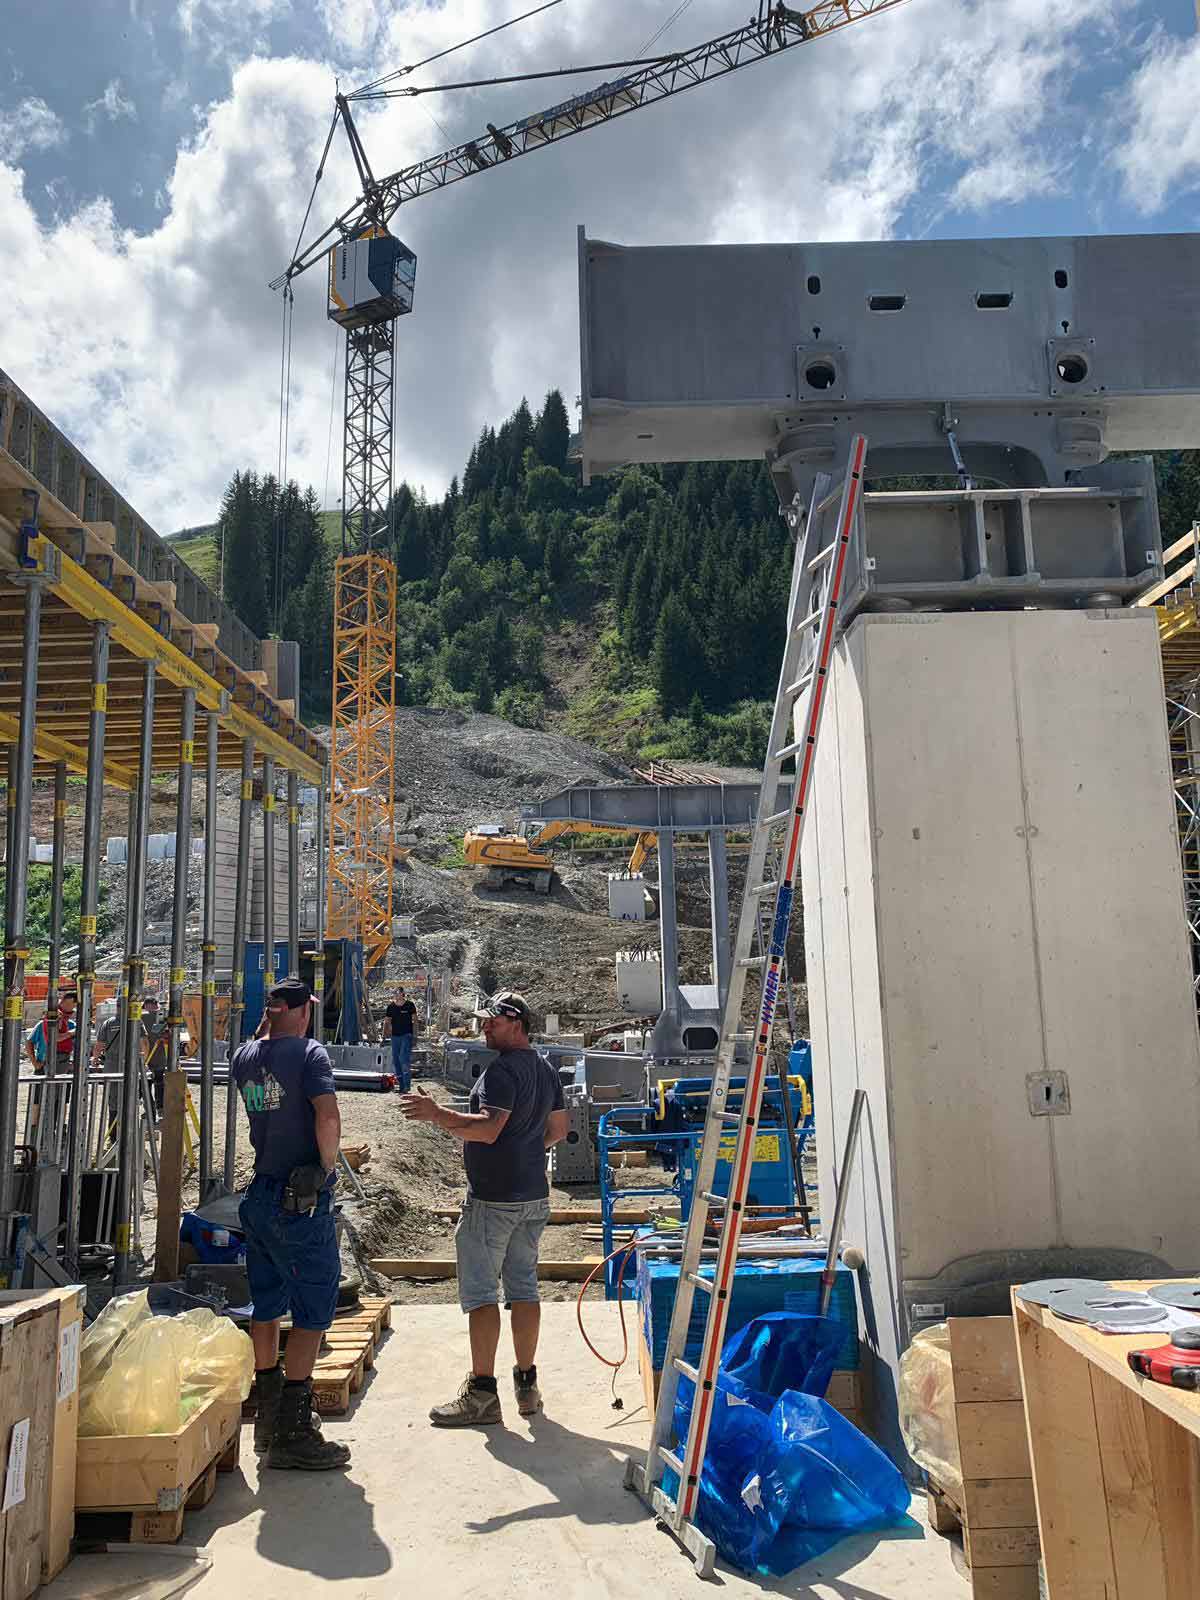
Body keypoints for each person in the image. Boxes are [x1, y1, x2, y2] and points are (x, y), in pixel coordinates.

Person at [401, 989, 568, 1427]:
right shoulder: (546, 1069)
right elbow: (558, 1128)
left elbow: (490, 1129)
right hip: (533, 1196)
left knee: (480, 1295)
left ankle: (482, 1393)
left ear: (516, 1023)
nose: (483, 1027)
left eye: (492, 1021)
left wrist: (437, 1114)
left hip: (494, 1199)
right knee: (524, 1289)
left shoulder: (502, 1072)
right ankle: (527, 1385)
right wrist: (526, 1151)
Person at [232, 975, 350, 1472]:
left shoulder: (243, 1056)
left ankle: (269, 1411)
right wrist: (326, 1170)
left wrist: (269, 1015)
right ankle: (294, 1430)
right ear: (303, 1012)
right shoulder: (310, 1055)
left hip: (259, 1195)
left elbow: (260, 1036)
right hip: (298, 1200)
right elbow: (327, 1116)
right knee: (313, 1313)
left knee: (266, 1304)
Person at [26, 989, 76, 1073]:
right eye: (74, 1006)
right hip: (45, 1064)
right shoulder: (44, 1023)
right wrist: (35, 1063)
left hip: (62, 1063)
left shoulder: (71, 1024)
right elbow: (29, 1042)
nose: (73, 1010)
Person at [384, 987, 418, 1093]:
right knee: (396, 1060)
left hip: (406, 1035)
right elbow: (387, 1021)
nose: (395, 994)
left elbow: (415, 1020)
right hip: (395, 1037)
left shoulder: (410, 1005)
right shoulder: (391, 1007)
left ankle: (407, 1085)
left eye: (397, 993)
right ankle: (401, 1085)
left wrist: (415, 1035)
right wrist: (385, 1034)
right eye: (394, 993)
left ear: (403, 994)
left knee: (403, 1058)